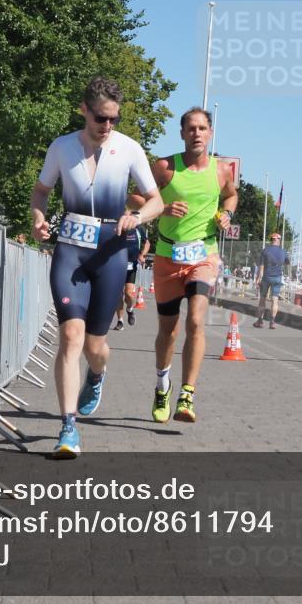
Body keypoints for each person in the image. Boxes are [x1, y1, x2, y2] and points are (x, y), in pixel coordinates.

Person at [30, 77, 163, 457]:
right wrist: (38, 219)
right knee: (71, 337)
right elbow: (41, 190)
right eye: (101, 118)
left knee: (94, 346)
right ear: (84, 110)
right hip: (71, 249)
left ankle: (98, 373)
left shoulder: (129, 149)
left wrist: (137, 217)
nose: (107, 126)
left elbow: (155, 200)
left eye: (114, 119)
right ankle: (68, 428)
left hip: (111, 252)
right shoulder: (62, 147)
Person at [139, 107, 237, 423]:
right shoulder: (165, 168)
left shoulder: (222, 171)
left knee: (196, 320)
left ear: (210, 133)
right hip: (168, 257)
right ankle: (162, 386)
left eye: (202, 128)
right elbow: (136, 200)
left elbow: (231, 196)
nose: (197, 133)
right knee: (168, 331)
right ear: (182, 133)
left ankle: (187, 394)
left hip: (203, 256)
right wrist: (162, 208)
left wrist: (226, 214)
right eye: (191, 128)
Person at [113, 223, 150, 330]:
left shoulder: (138, 228)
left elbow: (147, 243)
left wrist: (142, 254)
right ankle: (120, 321)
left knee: (128, 293)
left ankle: (130, 309)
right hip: (118, 265)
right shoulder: (117, 226)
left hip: (131, 265)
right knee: (118, 295)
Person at [253, 233, 288, 329]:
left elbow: (261, 265)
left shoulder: (265, 250)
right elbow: (287, 262)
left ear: (272, 240)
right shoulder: (283, 251)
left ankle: (260, 321)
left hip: (266, 277)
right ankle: (272, 322)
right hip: (277, 278)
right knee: (275, 300)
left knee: (262, 299)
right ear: (278, 240)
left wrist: (258, 277)